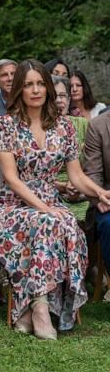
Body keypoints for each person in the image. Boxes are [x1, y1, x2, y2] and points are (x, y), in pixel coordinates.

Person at [0, 59, 110, 340]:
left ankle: (32, 311)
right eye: (28, 84)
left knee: (61, 222)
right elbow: (12, 179)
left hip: (49, 201)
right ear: (19, 89)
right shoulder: (6, 125)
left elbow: (76, 176)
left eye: (40, 83)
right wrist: (44, 207)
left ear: (47, 87)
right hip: (12, 204)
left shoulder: (63, 127)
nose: (35, 90)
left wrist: (99, 192)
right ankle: (42, 308)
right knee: (49, 220)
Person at [83, 110, 110, 287]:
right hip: (108, 199)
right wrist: (99, 196)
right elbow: (93, 173)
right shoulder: (98, 125)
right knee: (108, 224)